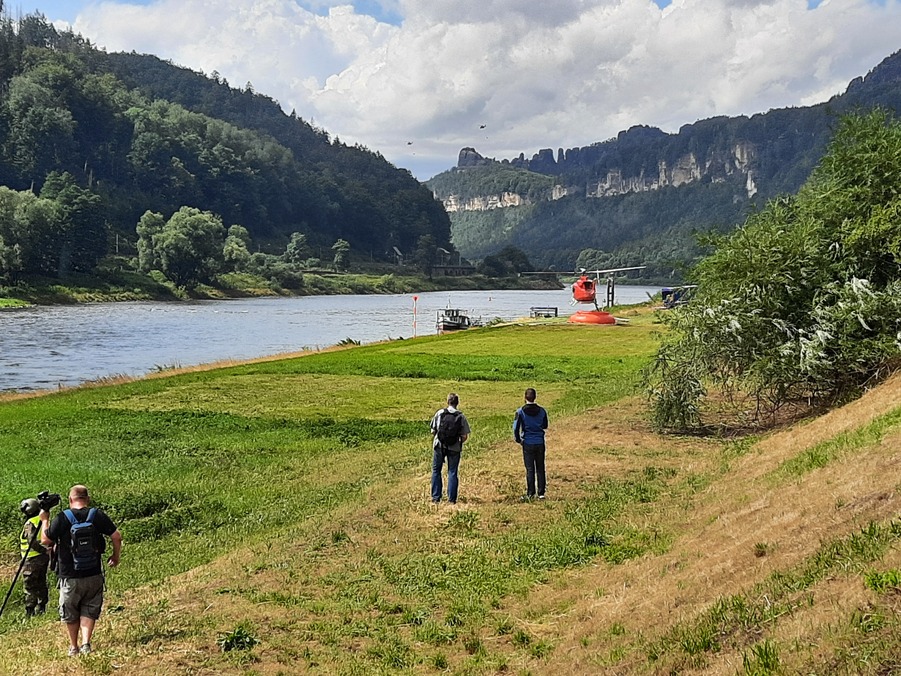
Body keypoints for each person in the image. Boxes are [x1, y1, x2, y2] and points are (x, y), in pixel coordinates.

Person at [39, 485, 122, 658]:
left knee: (70, 611)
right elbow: (116, 536)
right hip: (93, 572)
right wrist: (115, 556)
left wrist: (45, 519)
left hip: (70, 575)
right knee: (89, 608)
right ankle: (86, 644)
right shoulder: (96, 515)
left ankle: (73, 647)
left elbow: (46, 540)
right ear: (87, 499)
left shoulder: (63, 517)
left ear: (70, 500)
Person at [430, 393, 471, 504]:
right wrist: (457, 443)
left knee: (436, 470)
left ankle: (436, 497)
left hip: (439, 445)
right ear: (457, 403)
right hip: (454, 448)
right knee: (452, 472)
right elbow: (465, 436)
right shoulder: (461, 416)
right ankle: (451, 499)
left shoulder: (440, 413)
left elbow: (433, 431)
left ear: (447, 401)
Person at [513, 387, 549, 500]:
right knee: (540, 467)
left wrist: (519, 440)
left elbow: (515, 428)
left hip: (528, 442)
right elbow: (545, 425)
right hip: (539, 441)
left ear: (525, 397)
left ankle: (530, 492)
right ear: (535, 397)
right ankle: (541, 492)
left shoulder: (520, 411)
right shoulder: (542, 411)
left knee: (530, 469)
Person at [18, 498, 50, 617]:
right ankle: (42, 607)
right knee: (41, 582)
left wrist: (42, 550)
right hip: (42, 558)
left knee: (30, 586)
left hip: (32, 559)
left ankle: (30, 611)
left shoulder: (30, 522)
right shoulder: (41, 519)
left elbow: (31, 540)